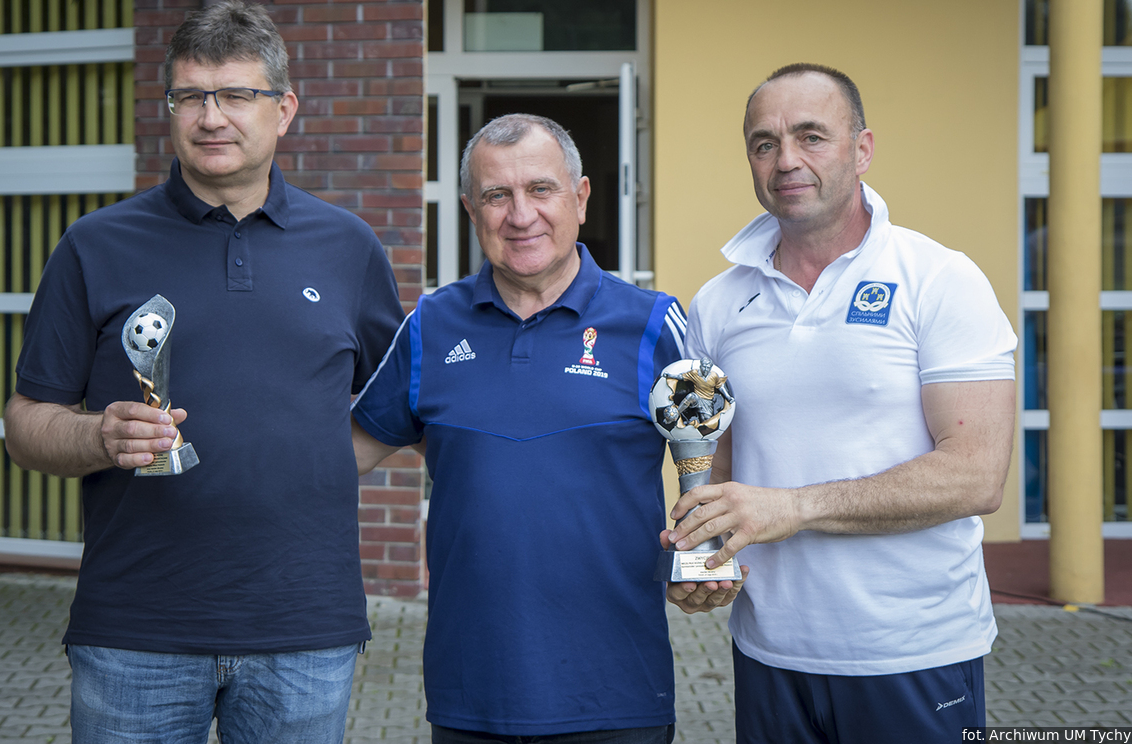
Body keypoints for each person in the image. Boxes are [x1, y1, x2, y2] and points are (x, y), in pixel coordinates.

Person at [3, 0, 404, 744]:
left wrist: (319, 456)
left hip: (304, 630)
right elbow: (26, 425)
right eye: (190, 96)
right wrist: (100, 437)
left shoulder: (349, 247)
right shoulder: (95, 245)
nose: (211, 117)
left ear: (284, 109)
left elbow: (400, 402)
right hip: (135, 631)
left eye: (236, 95)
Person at [351, 113, 740, 743]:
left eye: (540, 189)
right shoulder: (430, 325)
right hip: (470, 693)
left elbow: (713, 457)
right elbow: (345, 453)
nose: (520, 215)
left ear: (580, 199)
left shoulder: (653, 322)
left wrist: (707, 554)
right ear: (471, 210)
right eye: (496, 195)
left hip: (617, 694)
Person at [667, 63, 1017, 743]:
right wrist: (705, 561)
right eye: (764, 143)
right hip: (769, 652)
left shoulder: (940, 279)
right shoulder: (717, 301)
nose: (786, 160)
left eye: (811, 136)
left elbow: (977, 476)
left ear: (862, 149)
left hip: (912, 652)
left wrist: (793, 508)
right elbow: (716, 468)